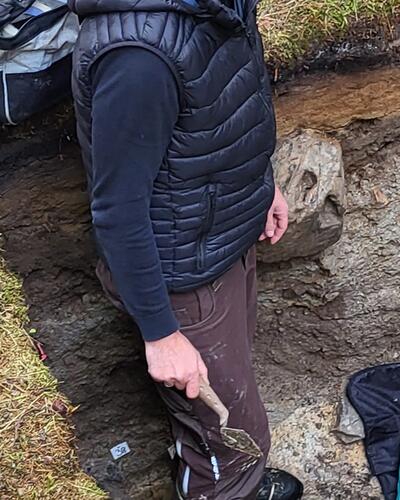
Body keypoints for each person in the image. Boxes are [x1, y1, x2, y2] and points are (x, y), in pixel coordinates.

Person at [68, 0, 302, 497]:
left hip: (221, 233)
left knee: (227, 408)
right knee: (231, 440)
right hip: (182, 277)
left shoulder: (220, 5)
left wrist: (263, 185)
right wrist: (162, 334)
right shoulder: (138, 59)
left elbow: (233, 96)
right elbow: (119, 209)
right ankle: (224, 485)